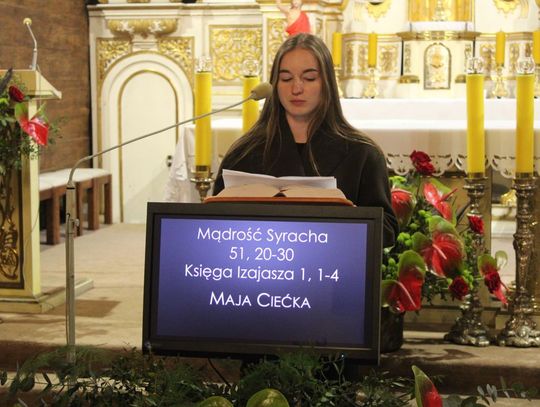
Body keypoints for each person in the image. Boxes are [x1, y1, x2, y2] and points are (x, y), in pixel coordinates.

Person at [213, 34, 398, 247]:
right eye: (286, 79)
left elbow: (386, 231)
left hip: (331, 265)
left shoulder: (362, 153)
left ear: (327, 83)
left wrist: (349, 220)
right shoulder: (243, 153)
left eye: (309, 78)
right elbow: (215, 225)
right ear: (275, 84)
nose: (296, 88)